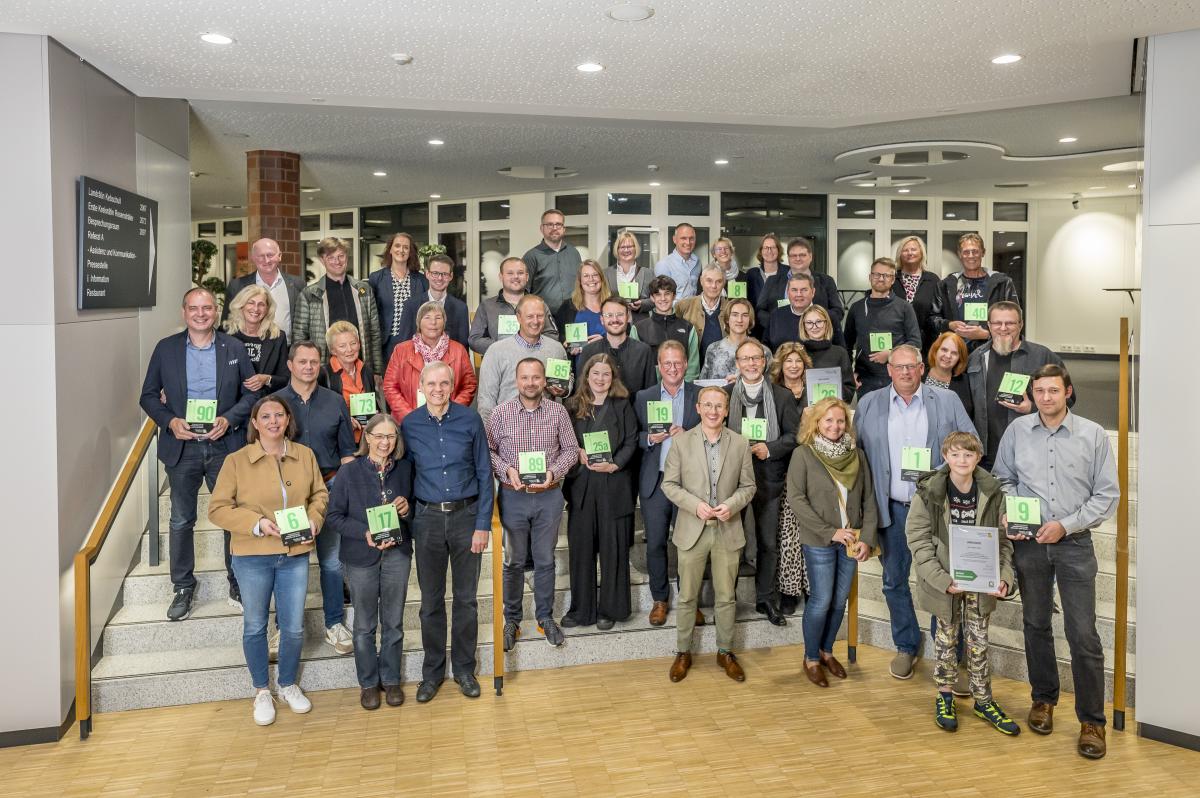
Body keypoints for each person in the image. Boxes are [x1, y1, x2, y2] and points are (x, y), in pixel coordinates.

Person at [992, 364, 1118, 759]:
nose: (1046, 397)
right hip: (1029, 544)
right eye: (1040, 391)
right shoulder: (1017, 431)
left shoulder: (1093, 435)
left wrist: (1064, 526)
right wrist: (1015, 512)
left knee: (1083, 633)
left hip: (1074, 544)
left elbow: (1106, 496)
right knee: (1035, 623)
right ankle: (1043, 699)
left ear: (1068, 392)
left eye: (1053, 391)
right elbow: (1002, 478)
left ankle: (1092, 721)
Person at [854, 344, 976, 680]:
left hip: (935, 511)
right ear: (889, 370)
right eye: (899, 367)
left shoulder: (947, 401)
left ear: (922, 369)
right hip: (890, 510)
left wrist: (942, 473)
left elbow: (971, 443)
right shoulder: (868, 403)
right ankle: (906, 645)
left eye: (912, 367)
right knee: (894, 582)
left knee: (944, 584)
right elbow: (858, 459)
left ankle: (949, 652)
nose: (906, 373)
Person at [208, 395, 329, 726]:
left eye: (280, 414)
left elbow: (319, 494)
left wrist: (314, 520)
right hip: (252, 556)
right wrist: (256, 524)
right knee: (255, 625)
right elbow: (217, 509)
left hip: (295, 554)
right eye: (266, 416)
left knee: (292, 626)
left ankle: (288, 683)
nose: (274, 420)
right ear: (255, 423)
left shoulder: (304, 455)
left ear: (288, 420)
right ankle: (262, 690)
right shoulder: (236, 461)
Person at [139, 287, 258, 620]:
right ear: (184, 312)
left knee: (232, 518)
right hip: (183, 447)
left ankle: (238, 582)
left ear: (216, 312)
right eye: (194, 308)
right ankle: (182, 586)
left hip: (225, 446)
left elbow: (252, 395)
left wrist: (229, 419)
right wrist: (170, 421)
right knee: (180, 520)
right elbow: (148, 396)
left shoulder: (233, 347)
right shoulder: (166, 350)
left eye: (207, 308)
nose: (201, 314)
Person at [907, 431, 1019, 735]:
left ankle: (984, 700)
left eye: (968, 455)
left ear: (978, 458)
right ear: (945, 456)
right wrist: (942, 580)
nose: (961, 461)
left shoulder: (993, 493)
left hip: (981, 582)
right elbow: (918, 541)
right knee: (945, 640)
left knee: (979, 643)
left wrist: (1004, 578)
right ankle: (944, 696)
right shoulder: (928, 492)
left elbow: (1004, 542)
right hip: (947, 581)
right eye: (955, 455)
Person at [401, 362, 495, 703]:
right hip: (426, 520)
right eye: (431, 383)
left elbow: (485, 473)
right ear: (422, 386)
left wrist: (482, 524)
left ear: (452, 385)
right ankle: (432, 673)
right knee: (430, 601)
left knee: (467, 600)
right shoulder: (409, 425)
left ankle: (465, 670)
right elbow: (403, 474)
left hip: (466, 518)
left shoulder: (470, 420)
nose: (438, 388)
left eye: (444, 382)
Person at [662, 386, 757, 683]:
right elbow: (669, 485)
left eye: (719, 406)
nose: (714, 411)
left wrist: (731, 505)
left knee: (727, 596)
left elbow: (749, 487)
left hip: (727, 529)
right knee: (688, 596)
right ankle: (682, 651)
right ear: (699, 408)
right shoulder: (680, 442)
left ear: (727, 410)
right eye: (708, 405)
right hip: (692, 528)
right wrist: (695, 506)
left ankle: (725, 651)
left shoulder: (740, 443)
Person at [486, 358, 579, 649]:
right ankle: (511, 620)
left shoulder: (558, 412)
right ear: (517, 379)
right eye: (525, 377)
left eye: (536, 378)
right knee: (513, 562)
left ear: (543, 380)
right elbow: (488, 452)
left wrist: (553, 473)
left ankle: (544, 617)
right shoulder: (500, 414)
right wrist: (506, 471)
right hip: (513, 497)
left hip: (549, 496)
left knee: (545, 560)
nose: (530, 383)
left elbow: (572, 451)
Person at [271, 341, 357, 655]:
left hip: (330, 489)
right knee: (289, 562)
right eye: (302, 361)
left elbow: (348, 453)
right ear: (290, 365)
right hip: (289, 495)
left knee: (332, 563)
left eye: (314, 362)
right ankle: (283, 629)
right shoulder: (274, 403)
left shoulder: (335, 402)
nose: (308, 367)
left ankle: (334, 624)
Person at [325, 413, 413, 710]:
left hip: (396, 554)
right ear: (368, 438)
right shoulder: (349, 472)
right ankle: (368, 683)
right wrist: (363, 533)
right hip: (361, 556)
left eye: (391, 436)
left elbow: (413, 511)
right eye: (379, 436)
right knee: (364, 625)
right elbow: (334, 517)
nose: (385, 442)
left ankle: (390, 680)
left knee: (394, 622)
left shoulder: (404, 469)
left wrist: (406, 508)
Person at [786, 396, 876, 687]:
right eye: (829, 420)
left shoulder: (857, 455)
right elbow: (796, 500)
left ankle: (827, 652)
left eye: (840, 421)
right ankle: (811, 657)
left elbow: (869, 499)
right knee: (821, 600)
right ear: (817, 423)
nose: (835, 426)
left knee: (839, 601)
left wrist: (868, 538)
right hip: (820, 540)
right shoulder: (804, 454)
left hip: (852, 539)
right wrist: (830, 532)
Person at [724, 340, 800, 625]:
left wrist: (770, 448)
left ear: (764, 361)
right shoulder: (726, 394)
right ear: (738, 363)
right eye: (745, 359)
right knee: (730, 543)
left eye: (756, 358)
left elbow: (795, 436)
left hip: (769, 479)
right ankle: (726, 600)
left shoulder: (781, 396)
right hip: (732, 481)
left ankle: (765, 599)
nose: (751, 364)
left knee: (768, 542)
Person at [562, 354, 639, 629]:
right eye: (595, 373)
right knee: (581, 551)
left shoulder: (622, 404)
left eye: (606, 374)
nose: (600, 379)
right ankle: (581, 610)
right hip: (582, 485)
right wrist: (578, 453)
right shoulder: (572, 406)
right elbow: (564, 439)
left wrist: (616, 464)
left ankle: (611, 609)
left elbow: (631, 441)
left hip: (614, 484)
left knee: (613, 549)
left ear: (612, 377)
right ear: (586, 375)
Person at [634, 341, 701, 625]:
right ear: (659, 367)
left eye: (677, 363)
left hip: (689, 482)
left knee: (689, 545)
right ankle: (659, 600)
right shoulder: (643, 396)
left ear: (686, 364)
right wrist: (650, 438)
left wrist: (690, 435)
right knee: (655, 543)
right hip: (656, 480)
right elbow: (631, 436)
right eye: (667, 363)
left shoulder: (700, 395)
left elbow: (715, 430)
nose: (672, 368)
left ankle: (689, 600)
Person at [966, 301, 1072, 468]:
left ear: (1021, 325)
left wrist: (1033, 408)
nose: (1003, 328)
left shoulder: (1042, 356)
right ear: (989, 325)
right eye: (997, 323)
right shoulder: (976, 358)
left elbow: (1070, 399)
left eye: (1009, 323)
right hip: (985, 453)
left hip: (1031, 451)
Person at [293, 236, 384, 376]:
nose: (337, 261)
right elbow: (300, 337)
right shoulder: (309, 295)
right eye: (331, 257)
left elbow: (374, 334)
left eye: (341, 256)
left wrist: (377, 371)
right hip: (325, 370)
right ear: (322, 260)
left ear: (347, 257)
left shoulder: (364, 290)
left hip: (360, 367)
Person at [769, 342, 815, 614]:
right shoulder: (772, 393)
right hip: (784, 467)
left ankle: (811, 587)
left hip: (815, 468)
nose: (794, 366)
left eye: (799, 361)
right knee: (788, 533)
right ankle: (788, 590)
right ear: (780, 365)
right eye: (789, 361)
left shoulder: (818, 392)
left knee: (812, 530)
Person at [476, 295, 569, 421]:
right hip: (507, 429)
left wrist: (564, 390)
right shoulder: (496, 351)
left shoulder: (556, 349)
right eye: (530, 316)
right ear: (518, 317)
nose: (535, 321)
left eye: (540, 316)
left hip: (546, 429)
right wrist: (489, 436)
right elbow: (486, 401)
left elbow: (566, 383)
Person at [382, 301, 476, 423]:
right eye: (427, 317)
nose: (433, 322)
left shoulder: (459, 350)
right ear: (419, 323)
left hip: (449, 422)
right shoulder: (401, 350)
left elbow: (469, 386)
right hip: (409, 422)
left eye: (438, 317)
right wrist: (410, 417)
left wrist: (451, 413)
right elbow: (390, 387)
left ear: (444, 323)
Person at [843, 257, 922, 395]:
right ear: (870, 277)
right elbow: (847, 345)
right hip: (865, 379)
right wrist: (849, 374)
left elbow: (915, 343)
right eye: (877, 274)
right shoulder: (857, 308)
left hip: (897, 377)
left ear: (893, 280)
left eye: (886, 275)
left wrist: (891, 353)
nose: (881, 278)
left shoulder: (904, 307)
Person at [933, 232, 1019, 352]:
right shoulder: (947, 284)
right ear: (960, 254)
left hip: (993, 350)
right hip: (956, 352)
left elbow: (1014, 321)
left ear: (983, 252)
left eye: (975, 251)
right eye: (966, 252)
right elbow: (933, 318)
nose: (971, 256)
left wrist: (986, 334)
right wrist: (949, 325)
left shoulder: (1002, 283)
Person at [468, 256, 561, 356]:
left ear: (527, 277)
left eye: (520, 273)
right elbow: (474, 340)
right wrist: (504, 347)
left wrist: (531, 346)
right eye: (510, 273)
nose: (516, 277)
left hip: (534, 362)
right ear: (501, 277)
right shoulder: (486, 306)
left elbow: (552, 335)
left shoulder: (539, 304)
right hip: (500, 362)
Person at [758, 238, 844, 342]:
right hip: (782, 341)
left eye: (802, 255)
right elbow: (760, 311)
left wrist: (817, 322)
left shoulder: (826, 281)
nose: (798, 258)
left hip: (816, 342)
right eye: (793, 255)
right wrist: (776, 324)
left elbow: (838, 311)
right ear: (788, 258)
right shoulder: (772, 281)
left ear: (810, 256)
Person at [320, 320, 385, 442]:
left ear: (359, 344)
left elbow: (373, 404)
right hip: (340, 441)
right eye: (342, 346)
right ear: (333, 350)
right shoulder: (323, 374)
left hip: (367, 440)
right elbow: (319, 412)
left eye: (353, 343)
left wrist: (376, 414)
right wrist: (344, 420)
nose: (349, 349)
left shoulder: (367, 371)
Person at [369, 232, 430, 364]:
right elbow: (372, 314)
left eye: (406, 247)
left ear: (410, 252)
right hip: (386, 345)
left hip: (415, 344)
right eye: (397, 246)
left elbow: (427, 312)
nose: (401, 250)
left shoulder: (422, 280)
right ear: (390, 249)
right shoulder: (376, 278)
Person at [222, 237, 305, 330]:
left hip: (289, 344)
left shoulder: (298, 284)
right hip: (249, 344)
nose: (266, 260)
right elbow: (226, 322)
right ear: (253, 258)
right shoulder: (237, 286)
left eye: (270, 255)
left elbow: (303, 321)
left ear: (280, 256)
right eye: (260, 256)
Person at [579, 297, 656, 396]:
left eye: (620, 315)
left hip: (634, 411)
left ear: (628, 317)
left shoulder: (644, 351)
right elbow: (581, 391)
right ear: (602, 319)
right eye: (609, 315)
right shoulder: (588, 351)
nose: (615, 320)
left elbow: (651, 394)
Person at [225, 284, 290, 394]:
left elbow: (285, 378)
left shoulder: (277, 336)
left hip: (264, 400)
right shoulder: (226, 333)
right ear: (241, 305)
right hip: (231, 399)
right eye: (250, 303)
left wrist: (267, 379)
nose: (256, 309)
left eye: (261, 304)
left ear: (268, 309)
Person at [633, 275, 701, 380]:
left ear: (674, 296)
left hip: (681, 391)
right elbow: (636, 365)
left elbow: (693, 367)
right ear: (652, 297)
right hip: (650, 391)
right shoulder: (638, 329)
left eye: (667, 294)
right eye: (658, 294)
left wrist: (683, 389)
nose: (663, 299)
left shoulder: (688, 327)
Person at [399, 254, 470, 350]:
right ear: (427, 274)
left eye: (444, 274)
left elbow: (463, 347)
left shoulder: (461, 308)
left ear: (451, 276)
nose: (440, 278)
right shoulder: (410, 306)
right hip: (417, 364)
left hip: (449, 364)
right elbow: (404, 346)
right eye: (435, 273)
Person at [892, 235, 943, 355]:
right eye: (905, 250)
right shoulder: (892, 278)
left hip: (927, 344)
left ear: (921, 253)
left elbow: (938, 312)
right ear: (900, 254)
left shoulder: (933, 279)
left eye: (914, 249)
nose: (910, 253)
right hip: (896, 341)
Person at [524, 208, 583, 314]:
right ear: (542, 228)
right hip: (544, 317)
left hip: (573, 314)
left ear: (564, 229)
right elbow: (524, 290)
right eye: (550, 224)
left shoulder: (574, 253)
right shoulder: (531, 256)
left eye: (558, 224)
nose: (554, 228)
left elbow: (581, 283)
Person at [700, 298, 772, 382]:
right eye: (735, 315)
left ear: (750, 320)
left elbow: (770, 386)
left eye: (745, 315)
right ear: (727, 319)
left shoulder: (763, 352)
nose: (739, 320)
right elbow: (703, 384)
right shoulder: (713, 349)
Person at [553, 258, 608, 361]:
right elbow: (558, 335)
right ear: (580, 281)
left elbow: (624, 334)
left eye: (595, 275)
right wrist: (567, 344)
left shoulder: (612, 305)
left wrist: (605, 341)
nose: (591, 279)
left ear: (601, 278)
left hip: (607, 367)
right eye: (586, 276)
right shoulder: (568, 306)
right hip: (578, 366)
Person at [799, 305, 855, 401]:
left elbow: (849, 392)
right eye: (809, 323)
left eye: (819, 322)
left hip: (833, 410)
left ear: (826, 323)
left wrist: (832, 384)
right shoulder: (798, 353)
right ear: (803, 325)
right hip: (804, 411)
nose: (814, 326)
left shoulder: (840, 353)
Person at [675, 265, 728, 362]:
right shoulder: (683, 306)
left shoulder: (731, 308)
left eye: (719, 281)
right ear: (701, 281)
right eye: (709, 281)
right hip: (691, 367)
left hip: (723, 371)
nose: (714, 286)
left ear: (724, 283)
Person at [606, 230, 654, 320]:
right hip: (613, 323)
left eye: (630, 247)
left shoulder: (648, 273)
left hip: (640, 323)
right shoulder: (606, 273)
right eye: (622, 247)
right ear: (617, 250)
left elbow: (655, 300)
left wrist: (642, 304)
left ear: (636, 249)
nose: (626, 250)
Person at [925, 331, 974, 419]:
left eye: (954, 353)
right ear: (935, 350)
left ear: (960, 358)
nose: (948, 356)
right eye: (944, 350)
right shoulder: (918, 374)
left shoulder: (967, 382)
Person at [765, 272, 819, 351]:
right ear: (788, 292)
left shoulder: (826, 316)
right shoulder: (776, 314)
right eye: (794, 290)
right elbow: (766, 346)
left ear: (813, 292)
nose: (799, 294)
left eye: (804, 290)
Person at [745, 233, 784, 330]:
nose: (769, 251)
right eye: (766, 248)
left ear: (778, 250)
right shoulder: (751, 274)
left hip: (781, 326)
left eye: (773, 247)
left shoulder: (788, 273)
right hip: (756, 328)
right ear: (761, 251)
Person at [654, 223, 701, 303]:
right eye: (683, 238)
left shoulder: (698, 262)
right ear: (674, 239)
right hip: (673, 313)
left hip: (693, 313)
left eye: (691, 238)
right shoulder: (663, 265)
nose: (688, 242)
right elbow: (662, 299)